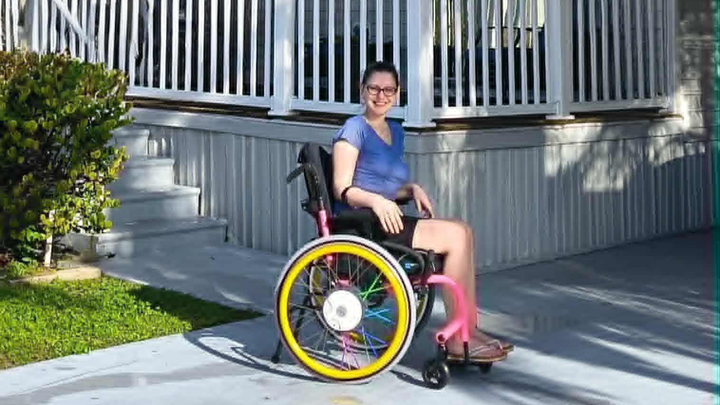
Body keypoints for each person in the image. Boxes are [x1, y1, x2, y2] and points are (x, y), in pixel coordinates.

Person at [331, 61, 513, 361]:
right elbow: (342, 188)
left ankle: (467, 329)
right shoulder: (354, 129)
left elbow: (381, 184)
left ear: (397, 93)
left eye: (388, 90)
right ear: (362, 91)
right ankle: (457, 340)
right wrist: (377, 202)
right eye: (374, 88)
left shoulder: (395, 131)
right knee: (455, 236)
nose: (381, 95)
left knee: (463, 232)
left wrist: (411, 189)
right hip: (365, 224)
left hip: (387, 217)